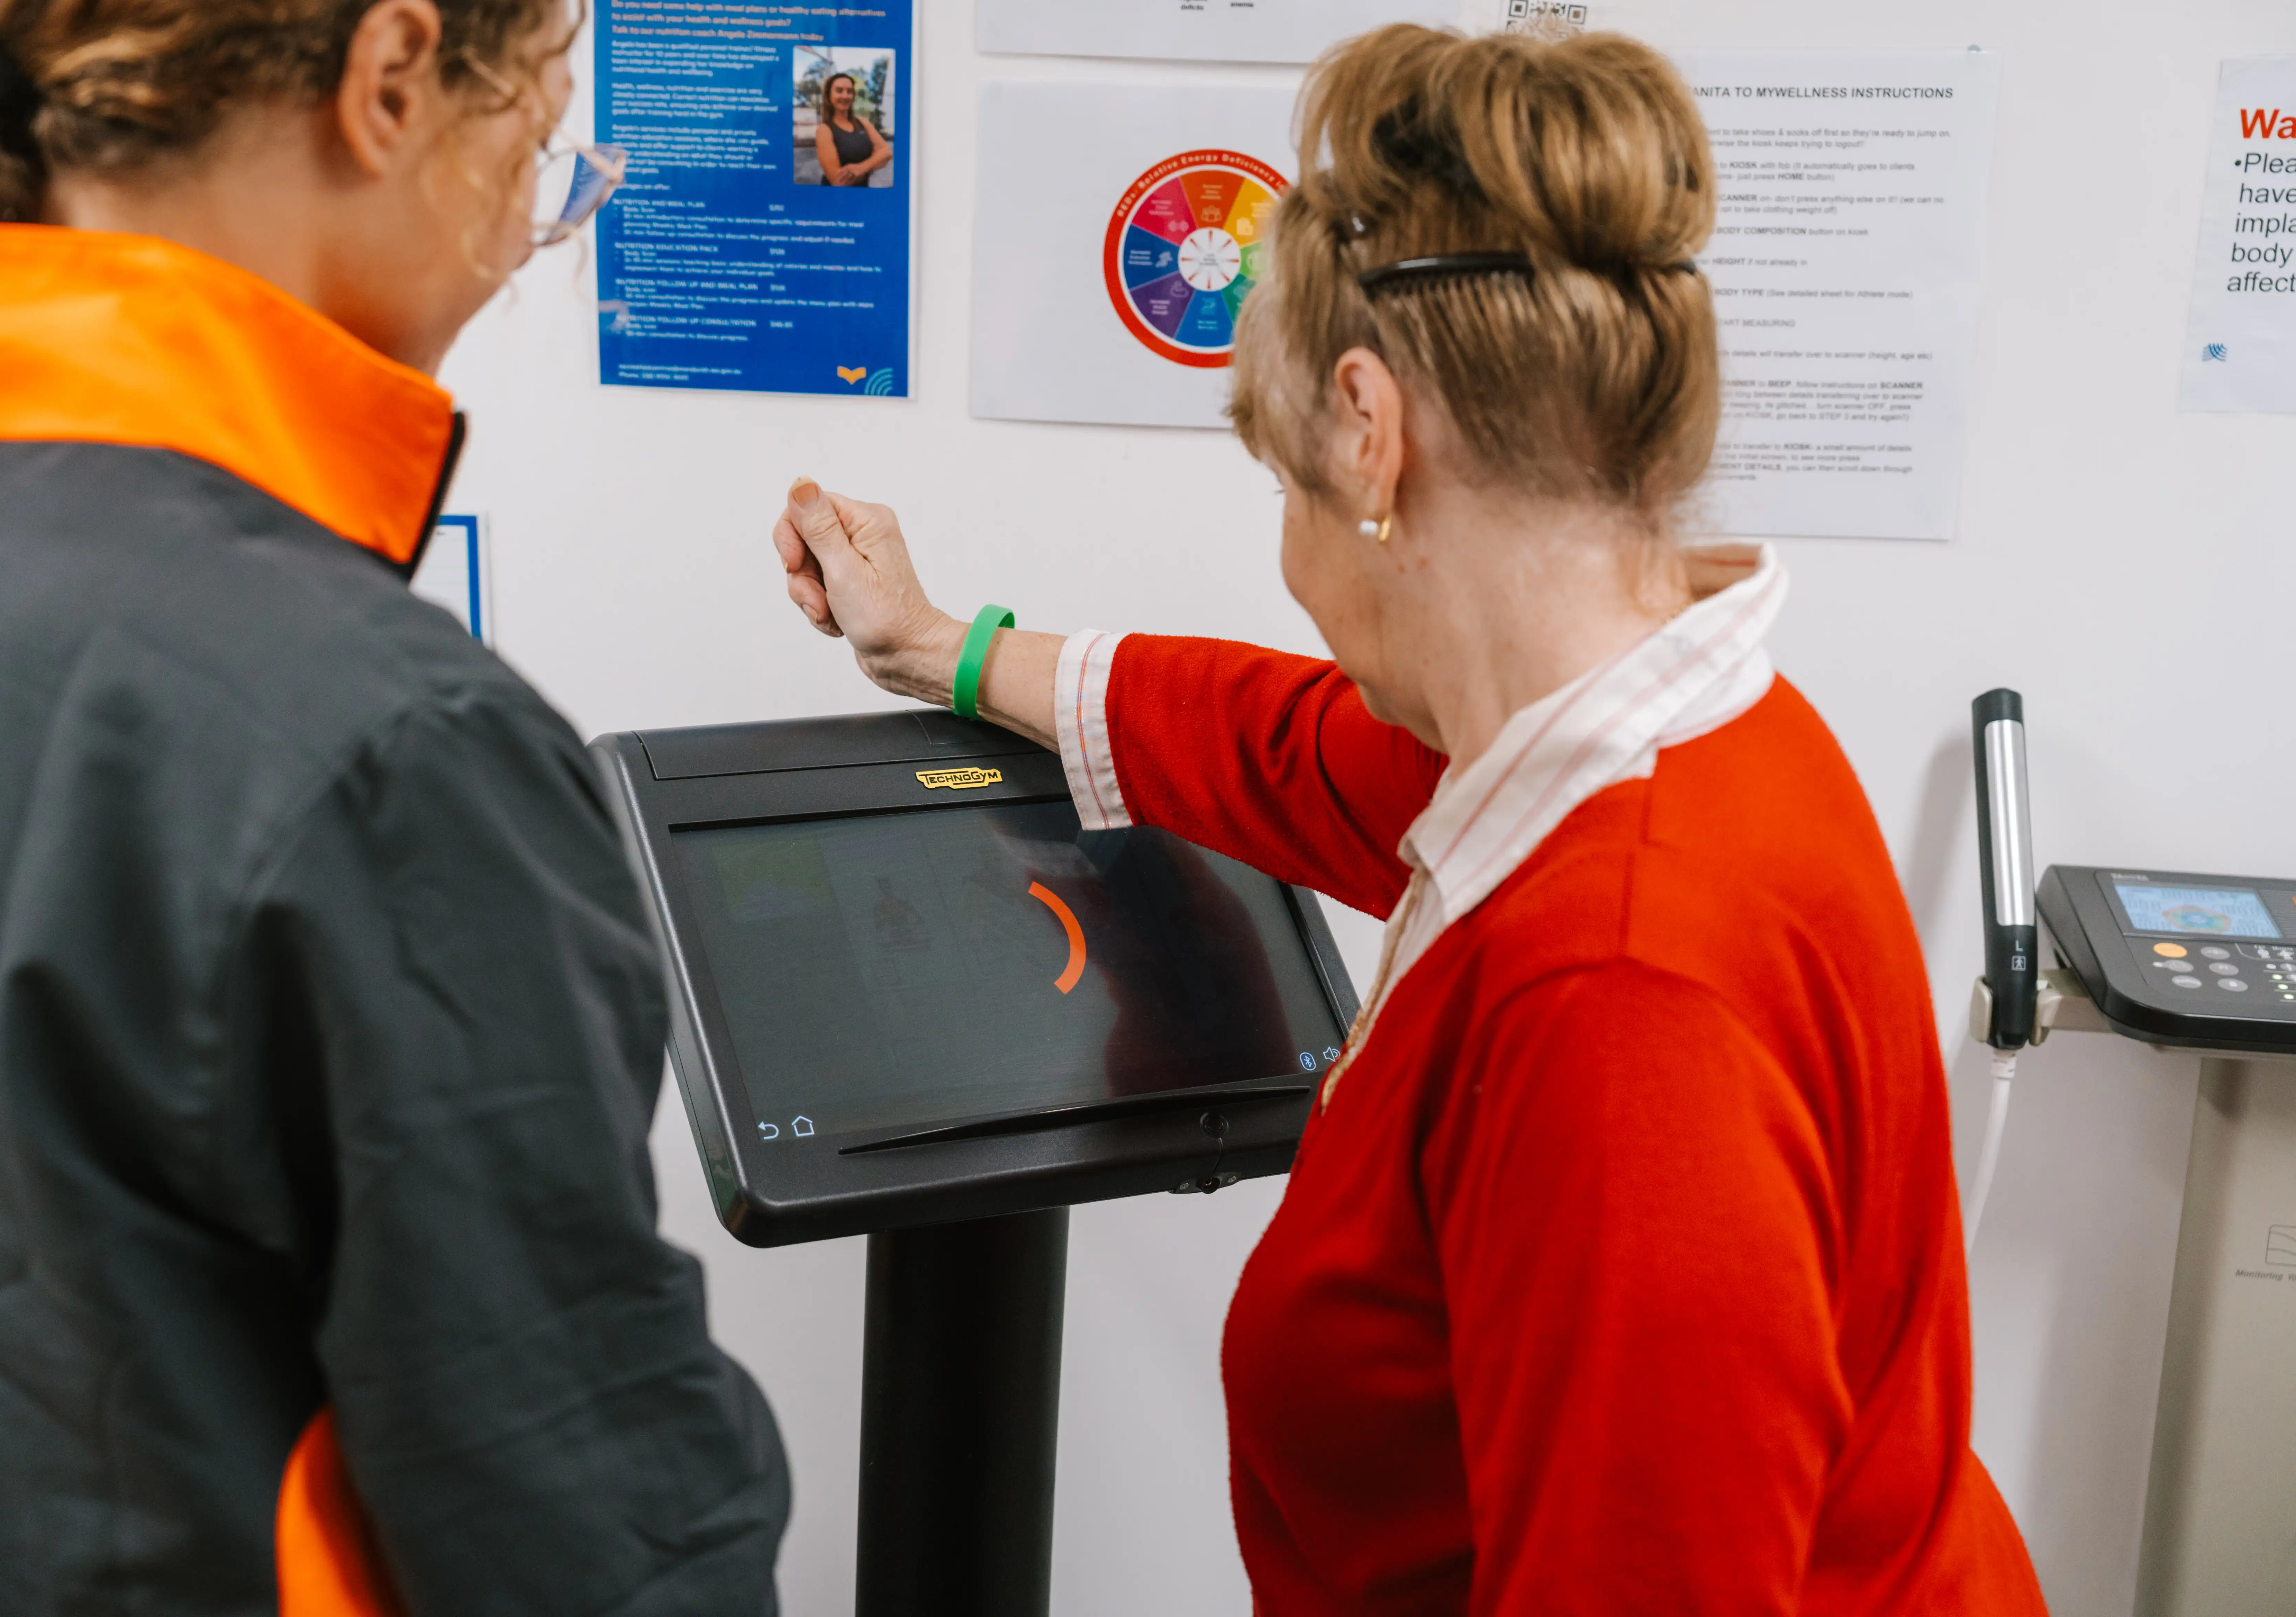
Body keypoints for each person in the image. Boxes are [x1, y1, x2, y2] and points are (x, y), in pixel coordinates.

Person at [772, 22, 2048, 1615]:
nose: (1292, 559)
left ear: (1370, 435)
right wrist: (942, 646)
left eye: (1285, 483)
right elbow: (1292, 747)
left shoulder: (1622, 1002)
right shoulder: (1679, 729)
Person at [0, 4, 786, 1614]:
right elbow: (586, 1525)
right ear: (390, 80)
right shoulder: (383, 742)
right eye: (543, 151)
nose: (525, 238)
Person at [812, 69, 888, 187]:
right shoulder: (824, 130)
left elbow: (887, 152)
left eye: (850, 91)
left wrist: (862, 168)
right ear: (829, 96)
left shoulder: (863, 123)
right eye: (839, 91)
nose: (845, 96)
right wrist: (875, 163)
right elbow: (839, 182)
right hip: (836, 197)